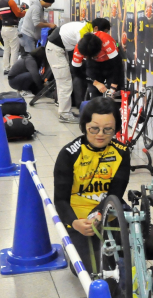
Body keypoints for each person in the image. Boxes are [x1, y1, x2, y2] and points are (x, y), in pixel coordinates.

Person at [53, 97, 129, 277]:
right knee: (93, 271)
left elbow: (116, 193)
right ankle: (74, 245)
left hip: (108, 214)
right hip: (80, 221)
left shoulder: (122, 152)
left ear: (115, 129)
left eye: (108, 129)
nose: (100, 134)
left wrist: (99, 215)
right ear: (84, 126)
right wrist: (75, 223)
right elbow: (60, 200)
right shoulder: (68, 154)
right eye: (94, 128)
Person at [47, 18, 111, 123]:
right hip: (55, 49)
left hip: (61, 48)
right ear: (96, 28)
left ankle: (64, 110)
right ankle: (64, 114)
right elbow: (83, 55)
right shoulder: (83, 33)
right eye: (104, 31)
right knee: (65, 82)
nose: (103, 35)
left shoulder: (88, 28)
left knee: (64, 81)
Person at [71, 20, 122, 102]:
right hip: (93, 65)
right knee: (95, 94)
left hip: (110, 63)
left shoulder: (106, 40)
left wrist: (113, 86)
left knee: (115, 95)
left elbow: (117, 64)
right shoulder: (79, 48)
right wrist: (96, 83)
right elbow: (75, 71)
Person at [0, 0, 26, 75]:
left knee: (6, 49)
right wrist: (25, 12)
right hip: (12, 28)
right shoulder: (11, 1)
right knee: (14, 49)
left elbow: (0, 16)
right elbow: (18, 14)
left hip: (4, 28)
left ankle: (6, 68)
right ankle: (13, 69)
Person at [121, 0, 136, 90]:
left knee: (133, 68)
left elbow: (135, 23)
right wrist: (122, 36)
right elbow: (124, 20)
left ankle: (132, 92)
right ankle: (125, 93)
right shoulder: (126, 0)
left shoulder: (135, 0)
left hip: (133, 40)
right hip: (127, 40)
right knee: (126, 67)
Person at [135, 0, 147, 92]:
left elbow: (151, 0)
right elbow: (134, 25)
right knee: (138, 75)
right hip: (138, 41)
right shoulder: (136, 2)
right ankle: (137, 103)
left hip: (145, 42)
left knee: (144, 76)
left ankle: (144, 104)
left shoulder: (146, 0)